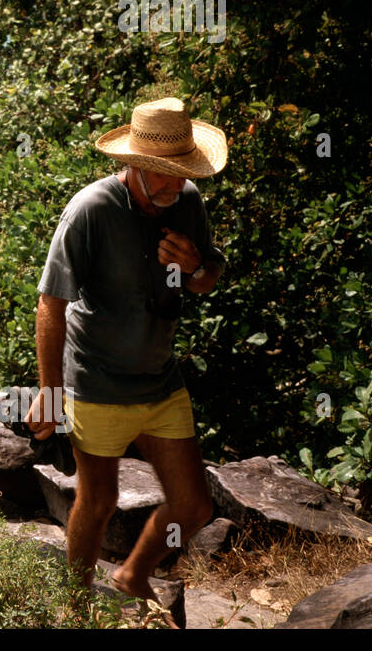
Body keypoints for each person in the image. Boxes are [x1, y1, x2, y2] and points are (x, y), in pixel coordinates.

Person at [25, 97, 226, 603]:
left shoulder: (188, 203)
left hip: (160, 379)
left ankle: (132, 575)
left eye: (179, 173)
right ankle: (75, 603)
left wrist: (196, 264)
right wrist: (50, 392)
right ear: (131, 163)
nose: (170, 184)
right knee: (99, 501)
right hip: (96, 380)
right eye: (159, 173)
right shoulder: (90, 210)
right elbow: (50, 304)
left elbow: (206, 281)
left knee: (193, 505)